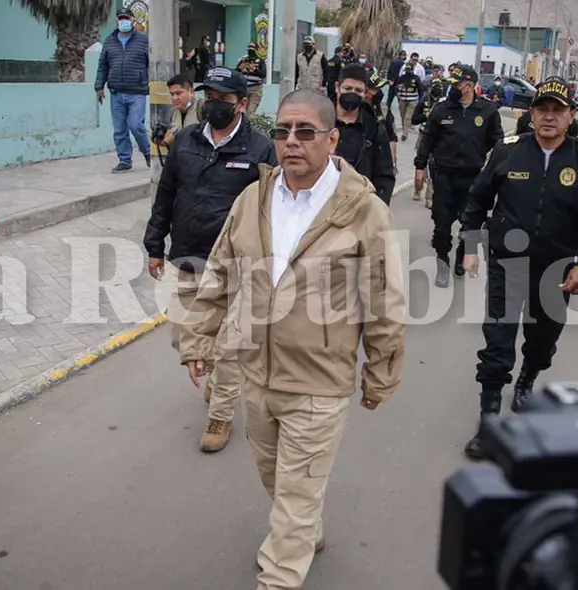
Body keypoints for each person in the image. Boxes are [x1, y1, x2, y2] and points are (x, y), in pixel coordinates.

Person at [179, 88, 406, 590]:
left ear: (332, 137)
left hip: (319, 383)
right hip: (256, 373)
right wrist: (198, 339)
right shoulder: (254, 198)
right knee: (276, 479)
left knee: (297, 494)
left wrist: (381, 373)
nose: (292, 142)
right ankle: (305, 532)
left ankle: (279, 574)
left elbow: (386, 301)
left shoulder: (364, 212)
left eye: (305, 131)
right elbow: (218, 274)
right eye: (282, 131)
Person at [459, 77, 578, 460]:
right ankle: (490, 425)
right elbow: (477, 200)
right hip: (508, 264)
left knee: (543, 341)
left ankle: (528, 380)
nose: (548, 117)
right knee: (497, 344)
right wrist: (471, 247)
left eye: (557, 111)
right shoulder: (507, 150)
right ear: (531, 114)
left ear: (570, 116)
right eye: (542, 109)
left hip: (558, 271)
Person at [144, 68, 277, 453]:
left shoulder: (260, 149)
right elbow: (165, 195)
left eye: (223, 98)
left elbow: (270, 209)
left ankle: (221, 414)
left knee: (231, 342)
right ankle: (216, 374)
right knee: (186, 334)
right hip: (187, 255)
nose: (214, 104)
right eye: (210, 96)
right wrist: (154, 245)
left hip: (236, 264)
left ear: (242, 104)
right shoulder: (185, 140)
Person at [414, 64, 503, 287]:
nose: (452, 87)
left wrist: (494, 173)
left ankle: (463, 254)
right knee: (442, 225)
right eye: (451, 83)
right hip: (443, 176)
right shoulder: (442, 109)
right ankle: (442, 261)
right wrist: (419, 166)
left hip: (473, 178)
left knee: (469, 224)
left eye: (458, 84)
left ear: (471, 86)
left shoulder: (488, 111)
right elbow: (428, 138)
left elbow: (500, 145)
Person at [94, 9, 152, 173]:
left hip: (137, 92)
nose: (123, 22)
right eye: (121, 19)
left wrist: (150, 82)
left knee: (135, 125)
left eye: (126, 18)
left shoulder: (143, 40)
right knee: (119, 129)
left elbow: (151, 64)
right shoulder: (110, 41)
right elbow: (103, 66)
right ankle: (124, 160)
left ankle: (147, 152)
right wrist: (99, 87)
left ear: (133, 20)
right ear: (117, 21)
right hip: (116, 92)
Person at [333, 64, 395, 204]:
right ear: (337, 87)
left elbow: (384, 176)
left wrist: (378, 210)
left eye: (358, 90)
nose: (352, 93)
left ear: (365, 93)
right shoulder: (322, 122)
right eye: (347, 88)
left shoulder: (375, 128)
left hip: (361, 206)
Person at [411, 79, 447, 207]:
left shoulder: (445, 102)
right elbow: (414, 120)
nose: (437, 88)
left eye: (440, 86)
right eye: (435, 86)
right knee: (421, 164)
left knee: (434, 165)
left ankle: (429, 197)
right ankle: (417, 189)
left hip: (438, 138)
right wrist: (425, 116)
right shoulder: (424, 101)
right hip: (424, 135)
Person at [365, 71, 399, 175]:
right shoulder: (352, 111)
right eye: (375, 89)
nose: (379, 92)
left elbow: (391, 138)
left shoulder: (383, 109)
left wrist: (392, 163)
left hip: (380, 165)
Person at [160, 74, 205, 148]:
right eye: (172, 94)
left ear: (191, 92)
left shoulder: (202, 107)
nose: (174, 98)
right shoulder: (173, 112)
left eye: (178, 93)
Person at [237, 42, 268, 117]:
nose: (250, 51)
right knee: (240, 111)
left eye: (252, 49)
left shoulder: (260, 61)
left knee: (250, 112)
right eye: (249, 49)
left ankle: (248, 127)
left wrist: (255, 69)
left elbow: (263, 75)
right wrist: (240, 68)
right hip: (244, 88)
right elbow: (236, 72)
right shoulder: (243, 59)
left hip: (255, 89)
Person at [396, 63, 423, 141]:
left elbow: (420, 89)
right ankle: (405, 129)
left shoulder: (416, 78)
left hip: (412, 100)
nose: (408, 71)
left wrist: (420, 101)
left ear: (412, 69)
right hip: (402, 100)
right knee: (403, 116)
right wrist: (398, 94)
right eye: (407, 70)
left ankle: (405, 133)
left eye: (409, 69)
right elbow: (396, 88)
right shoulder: (401, 78)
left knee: (408, 117)